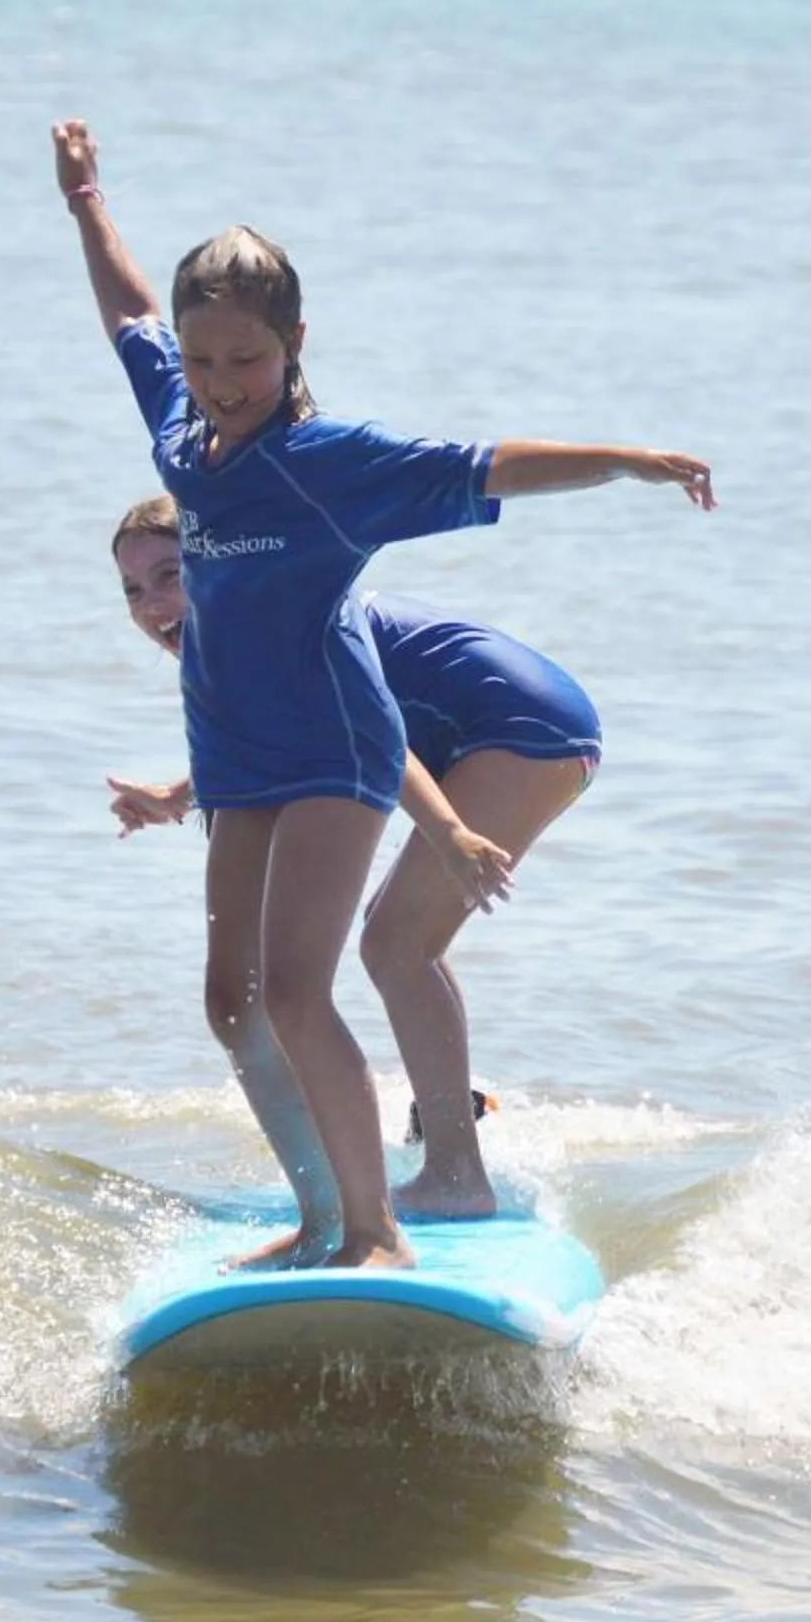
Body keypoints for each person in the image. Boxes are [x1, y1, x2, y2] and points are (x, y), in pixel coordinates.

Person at [54, 116, 714, 1271]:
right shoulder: (180, 436)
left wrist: (627, 459)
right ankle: (318, 1214)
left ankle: (375, 1230)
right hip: (249, 758)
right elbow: (129, 317)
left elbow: (483, 463)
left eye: (246, 362)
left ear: (296, 342)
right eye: (206, 364)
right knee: (230, 999)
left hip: (335, 754)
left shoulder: (331, 464)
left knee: (306, 982)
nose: (220, 385)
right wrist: (87, 201)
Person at [105, 494, 603, 1220]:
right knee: (396, 940)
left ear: (215, 564)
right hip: (492, 727)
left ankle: (457, 1176)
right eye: (132, 590)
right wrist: (180, 795)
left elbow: (373, 731)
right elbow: (281, 737)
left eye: (169, 574)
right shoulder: (241, 641)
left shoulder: (272, 626)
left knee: (396, 942)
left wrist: (448, 833)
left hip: (521, 725)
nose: (152, 605)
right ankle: (441, 1147)